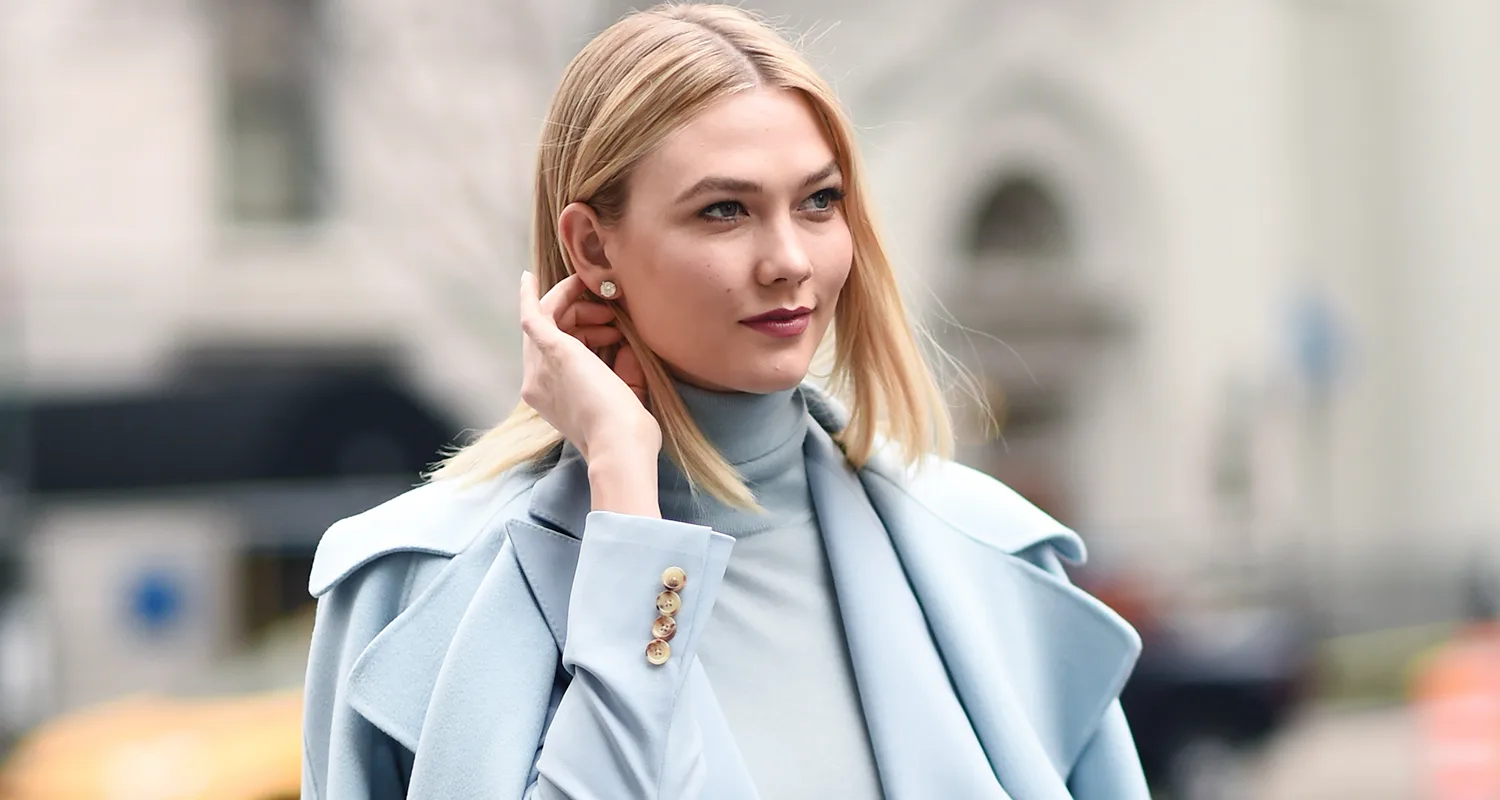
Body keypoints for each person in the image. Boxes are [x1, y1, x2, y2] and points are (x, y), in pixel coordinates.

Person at [300, 5, 1149, 798]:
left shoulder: (988, 558)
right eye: (724, 211)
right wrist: (626, 494)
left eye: (818, 202)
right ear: (593, 245)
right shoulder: (410, 587)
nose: (788, 259)